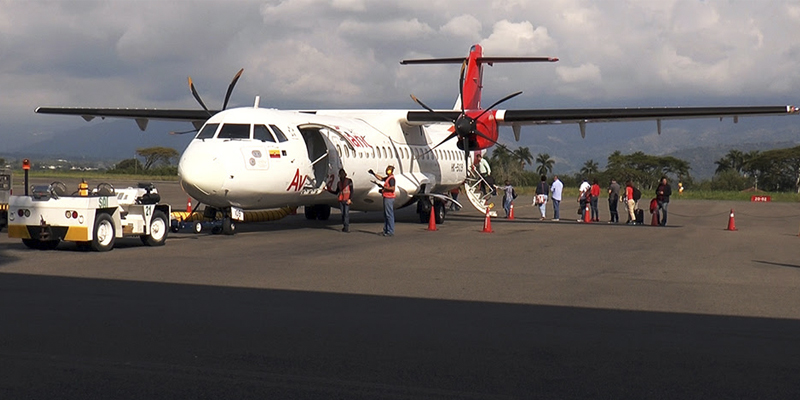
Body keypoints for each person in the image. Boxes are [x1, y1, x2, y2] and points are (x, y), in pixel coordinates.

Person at [370, 165, 396, 236]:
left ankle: (390, 231)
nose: (386, 171)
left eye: (388, 170)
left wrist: (384, 188)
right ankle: (386, 230)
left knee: (389, 214)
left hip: (389, 198)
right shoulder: (388, 178)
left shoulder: (391, 179)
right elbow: (381, 178)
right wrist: (374, 174)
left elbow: (392, 188)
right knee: (386, 214)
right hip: (386, 197)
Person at [327, 168, 353, 232]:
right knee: (343, 214)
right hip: (341, 200)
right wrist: (328, 190)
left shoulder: (349, 181)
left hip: (347, 199)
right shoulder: (339, 183)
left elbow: (352, 190)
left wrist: (350, 199)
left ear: (345, 174)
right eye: (340, 174)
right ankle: (344, 225)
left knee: (346, 214)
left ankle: (346, 227)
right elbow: (336, 192)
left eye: (343, 174)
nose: (342, 175)